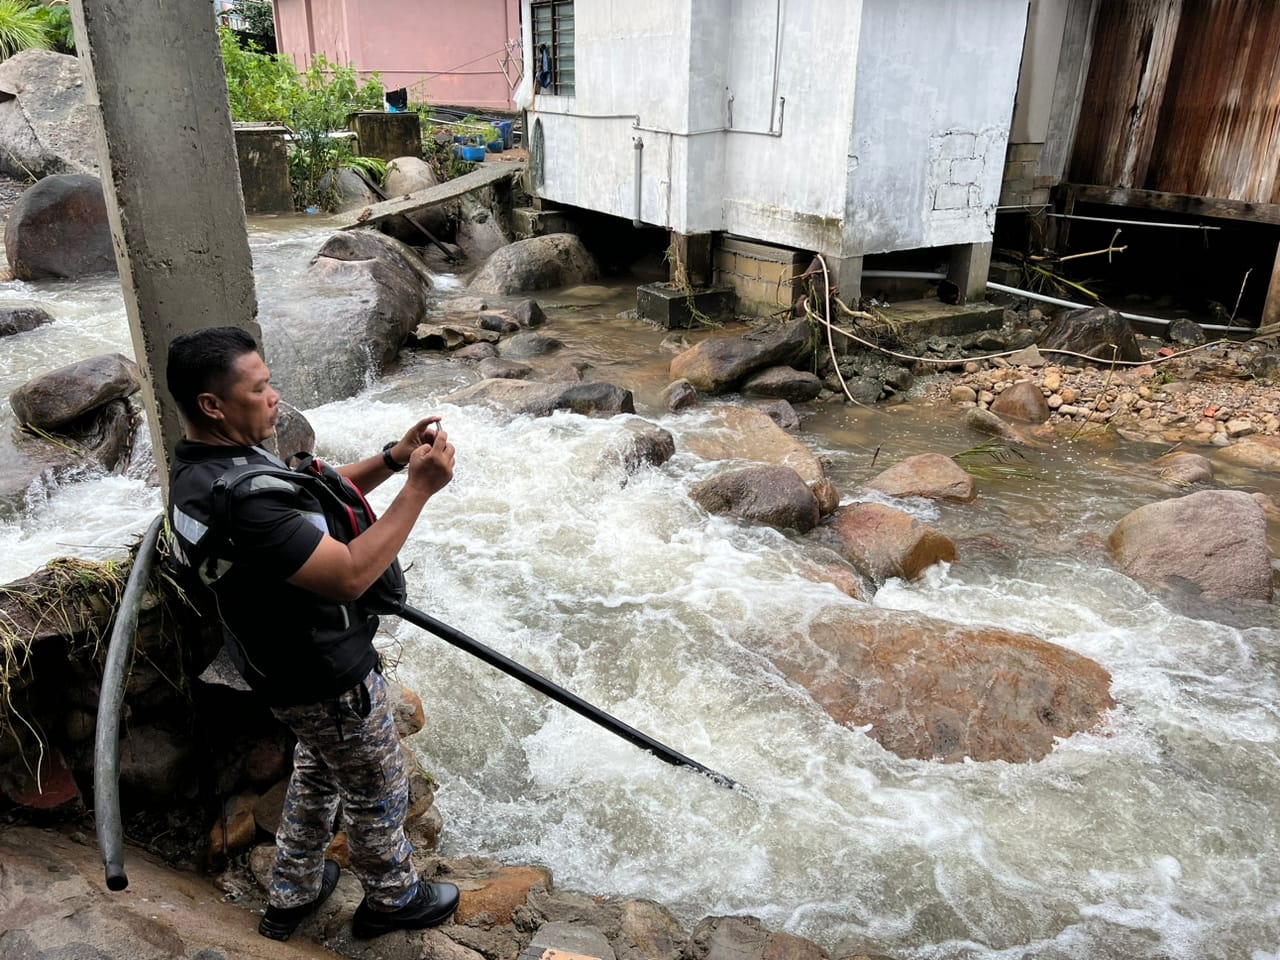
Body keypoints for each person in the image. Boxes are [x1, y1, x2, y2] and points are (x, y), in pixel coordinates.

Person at [165, 326, 459, 941]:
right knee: (377, 787)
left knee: (320, 765)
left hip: (275, 666)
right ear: (212, 405)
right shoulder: (241, 502)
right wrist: (418, 489)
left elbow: (303, 500)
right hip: (325, 673)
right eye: (260, 387)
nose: (274, 397)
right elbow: (350, 575)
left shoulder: (206, 472)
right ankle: (392, 898)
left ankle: (291, 891)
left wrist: (391, 459)